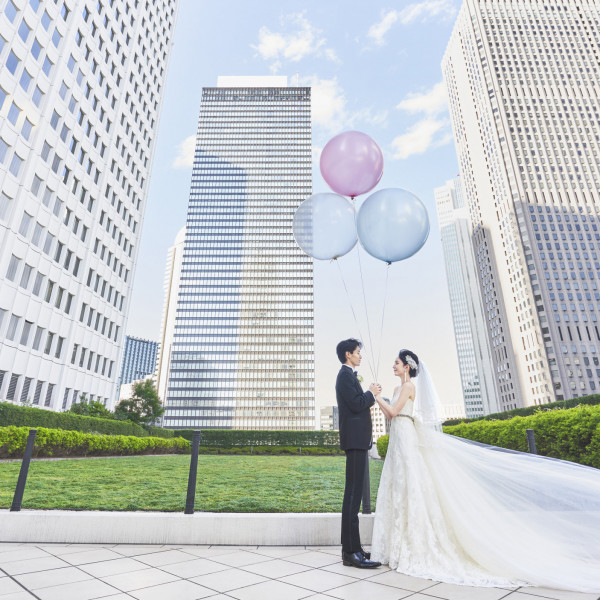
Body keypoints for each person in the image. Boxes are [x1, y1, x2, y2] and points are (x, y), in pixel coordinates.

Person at [371, 349, 600, 591]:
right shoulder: (396, 390)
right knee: (398, 486)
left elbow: (394, 412)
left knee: (411, 484)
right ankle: (397, 546)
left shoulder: (408, 387)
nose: (393, 367)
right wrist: (382, 398)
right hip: (398, 436)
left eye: (396, 363)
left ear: (407, 366)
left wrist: (376, 397)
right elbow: (391, 415)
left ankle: (416, 545)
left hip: (406, 436)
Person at [335, 338, 381, 569]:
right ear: (347, 354)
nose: (360, 355)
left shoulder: (350, 376)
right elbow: (355, 404)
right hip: (354, 442)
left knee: (354, 496)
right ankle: (350, 553)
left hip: (358, 441)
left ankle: (356, 549)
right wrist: (371, 393)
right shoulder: (344, 376)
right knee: (352, 496)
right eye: (357, 352)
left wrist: (369, 394)